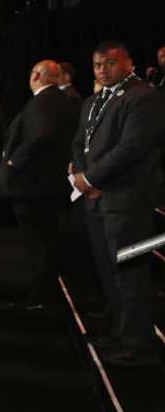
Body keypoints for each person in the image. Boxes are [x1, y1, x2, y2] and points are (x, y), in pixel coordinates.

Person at [70, 40, 165, 368]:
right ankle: (119, 331)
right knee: (108, 271)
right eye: (97, 65)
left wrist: (91, 179)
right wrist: (83, 176)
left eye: (110, 63)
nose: (102, 70)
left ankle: (140, 345)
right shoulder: (93, 101)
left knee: (130, 273)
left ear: (129, 63)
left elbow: (132, 148)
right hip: (97, 201)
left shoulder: (145, 97)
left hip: (128, 201)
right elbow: (79, 142)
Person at [0, 60, 79, 303]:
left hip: (32, 186)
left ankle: (42, 293)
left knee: (37, 243)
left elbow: (42, 133)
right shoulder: (62, 100)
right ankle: (48, 290)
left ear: (37, 76)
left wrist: (15, 161)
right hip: (50, 184)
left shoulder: (43, 101)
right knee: (46, 239)